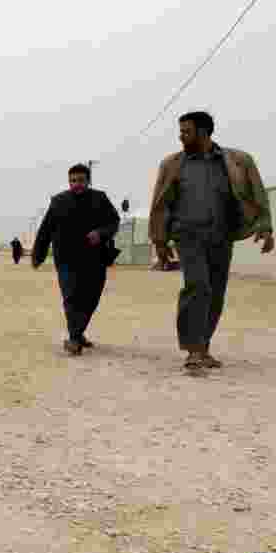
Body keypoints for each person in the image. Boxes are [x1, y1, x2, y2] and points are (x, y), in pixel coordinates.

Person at [148, 111, 273, 370]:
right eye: (180, 131)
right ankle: (193, 349)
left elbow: (256, 192)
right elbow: (160, 205)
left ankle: (203, 347)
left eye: (186, 131)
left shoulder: (237, 161)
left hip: (222, 234)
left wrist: (265, 226)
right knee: (198, 286)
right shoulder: (172, 164)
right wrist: (160, 241)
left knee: (216, 292)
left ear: (203, 132)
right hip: (187, 235)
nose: (180, 136)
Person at [32, 164, 121, 355]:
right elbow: (45, 230)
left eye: (80, 180)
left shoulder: (100, 198)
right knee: (71, 297)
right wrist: (38, 255)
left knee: (91, 298)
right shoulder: (58, 201)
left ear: (88, 181)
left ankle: (78, 332)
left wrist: (101, 233)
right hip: (66, 259)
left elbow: (114, 221)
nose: (76, 184)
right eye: (73, 180)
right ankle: (74, 338)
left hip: (95, 258)